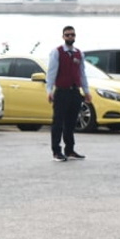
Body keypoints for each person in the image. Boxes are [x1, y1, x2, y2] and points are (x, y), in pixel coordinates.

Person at [46, 25, 91, 161]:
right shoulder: (57, 52)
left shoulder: (79, 53)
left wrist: (86, 91)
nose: (70, 37)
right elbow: (51, 72)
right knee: (58, 122)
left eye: (72, 35)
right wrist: (49, 90)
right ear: (63, 37)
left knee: (71, 122)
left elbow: (82, 74)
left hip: (74, 92)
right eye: (67, 35)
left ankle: (70, 149)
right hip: (61, 92)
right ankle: (56, 151)